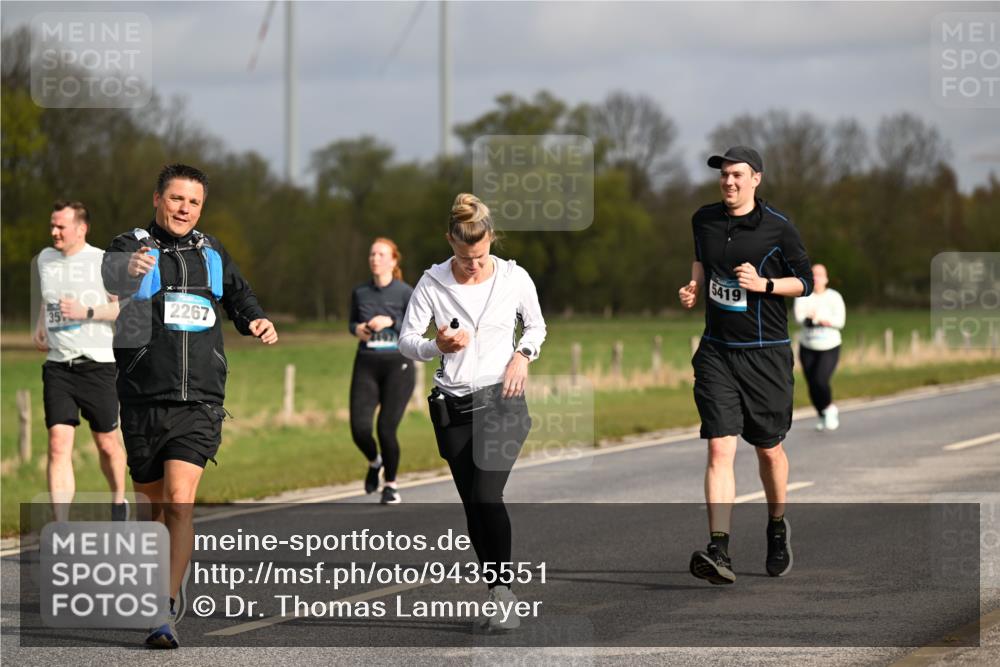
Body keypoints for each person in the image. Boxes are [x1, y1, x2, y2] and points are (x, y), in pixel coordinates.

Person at [101, 164, 278, 649]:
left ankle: (163, 612)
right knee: (151, 508)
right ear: (157, 199)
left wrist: (256, 320)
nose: (184, 209)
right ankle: (164, 579)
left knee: (180, 500)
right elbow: (111, 273)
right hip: (143, 395)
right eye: (176, 199)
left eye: (194, 202)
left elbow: (240, 295)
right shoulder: (130, 244)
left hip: (200, 398)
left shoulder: (211, 252)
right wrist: (130, 269)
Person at [399, 193, 546, 631]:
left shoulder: (514, 278)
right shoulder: (432, 283)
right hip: (453, 408)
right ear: (450, 242)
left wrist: (522, 355)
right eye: (464, 257)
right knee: (473, 506)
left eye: (480, 255)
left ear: (491, 241)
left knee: (486, 494)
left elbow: (537, 324)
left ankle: (504, 594)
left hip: (503, 402)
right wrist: (435, 346)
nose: (473, 265)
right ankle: (495, 589)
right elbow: (408, 339)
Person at [678, 146, 813, 585]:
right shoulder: (704, 219)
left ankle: (777, 525)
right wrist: (694, 285)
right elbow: (702, 258)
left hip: (766, 354)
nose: (729, 182)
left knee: (768, 448)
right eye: (723, 176)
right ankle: (720, 550)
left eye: (737, 175)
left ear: (756, 178)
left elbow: (806, 282)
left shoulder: (779, 228)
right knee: (720, 446)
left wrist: (765, 284)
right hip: (717, 351)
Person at [32, 200, 127, 522]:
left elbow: (121, 309)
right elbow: (50, 300)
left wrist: (86, 312)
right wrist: (41, 325)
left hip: (98, 364)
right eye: (52, 225)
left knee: (107, 444)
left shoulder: (103, 261)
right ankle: (60, 526)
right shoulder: (46, 259)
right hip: (59, 366)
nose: (54, 232)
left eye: (61, 226)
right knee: (58, 444)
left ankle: (118, 501)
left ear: (81, 228)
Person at [348, 238, 416, 504]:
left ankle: (391, 485)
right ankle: (375, 462)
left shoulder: (405, 292)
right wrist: (358, 330)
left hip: (397, 365)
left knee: (386, 428)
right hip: (366, 363)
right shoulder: (360, 292)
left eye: (381, 254)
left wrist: (391, 321)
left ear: (393, 260)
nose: (375, 258)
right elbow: (351, 323)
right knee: (359, 428)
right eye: (372, 254)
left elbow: (416, 327)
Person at [793, 263, 846, 431]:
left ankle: (830, 408)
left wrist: (824, 319)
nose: (816, 278)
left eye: (819, 275)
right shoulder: (803, 296)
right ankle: (822, 415)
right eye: (813, 274)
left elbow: (840, 322)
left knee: (820, 379)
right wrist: (810, 319)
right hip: (807, 346)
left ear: (826, 279)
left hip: (829, 346)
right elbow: (798, 318)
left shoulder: (834, 297)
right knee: (812, 384)